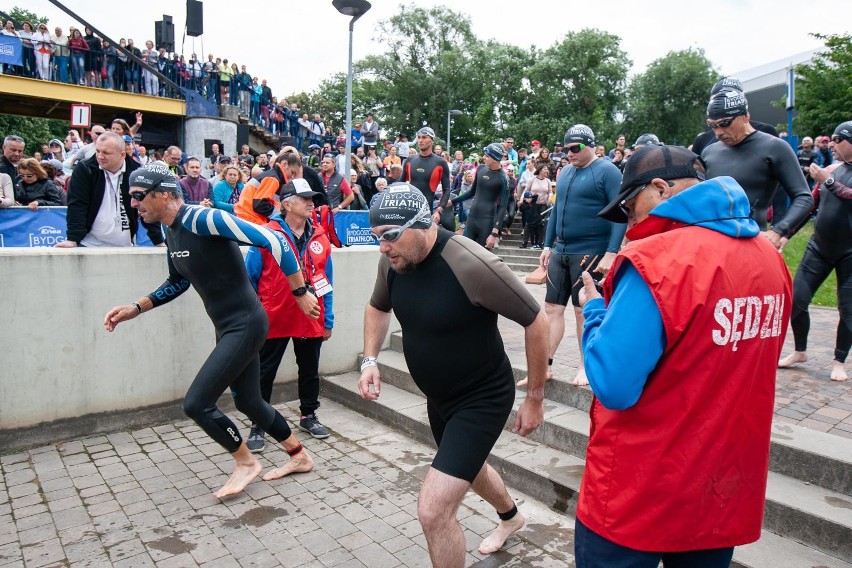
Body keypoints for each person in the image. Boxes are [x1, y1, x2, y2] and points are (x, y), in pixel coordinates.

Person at [577, 144, 792, 566]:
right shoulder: (771, 259)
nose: (629, 222)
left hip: (641, 486)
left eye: (630, 208)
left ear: (659, 188)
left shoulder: (657, 260)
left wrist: (595, 311)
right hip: (720, 484)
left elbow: (613, 384)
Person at [103, 162, 320, 498]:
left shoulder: (204, 219)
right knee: (250, 401)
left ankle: (246, 463)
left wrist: (300, 291)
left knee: (197, 403)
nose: (134, 204)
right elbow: (178, 281)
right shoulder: (170, 230)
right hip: (227, 326)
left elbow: (274, 241)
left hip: (246, 323)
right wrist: (136, 307)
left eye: (138, 196)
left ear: (163, 193)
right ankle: (299, 456)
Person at [359, 184, 549, 565]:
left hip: (482, 397)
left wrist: (535, 398)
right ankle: (511, 518)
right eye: (376, 237)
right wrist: (370, 360)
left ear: (425, 221)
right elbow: (377, 308)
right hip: (439, 397)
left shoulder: (470, 264)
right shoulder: (394, 261)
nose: (383, 247)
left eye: (391, 236)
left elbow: (536, 319)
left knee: (433, 511)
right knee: (468, 464)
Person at [526, 125, 625, 388]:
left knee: (583, 312)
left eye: (575, 148)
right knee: (551, 309)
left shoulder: (607, 171)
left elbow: (620, 215)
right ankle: (544, 365)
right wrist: (547, 246)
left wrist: (611, 252)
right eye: (566, 148)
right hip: (562, 250)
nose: (569, 153)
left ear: (591, 145)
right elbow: (557, 210)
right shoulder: (566, 171)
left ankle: (585, 365)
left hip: (591, 250)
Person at [245, 178, 334, 451]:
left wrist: (327, 318)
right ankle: (259, 423)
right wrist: (251, 318)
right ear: (286, 204)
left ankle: (308, 415)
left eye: (313, 198)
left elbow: (326, 280)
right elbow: (249, 278)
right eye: (304, 198)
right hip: (273, 317)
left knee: (310, 371)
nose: (311, 203)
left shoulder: (320, 236)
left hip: (310, 315)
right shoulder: (266, 234)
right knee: (264, 373)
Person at [779, 121, 852, 382]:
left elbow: (847, 193)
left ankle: (839, 360)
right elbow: (811, 205)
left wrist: (828, 180)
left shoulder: (828, 175)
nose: (831, 143)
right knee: (796, 300)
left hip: (849, 253)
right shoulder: (832, 169)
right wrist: (786, 234)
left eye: (838, 139)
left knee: (848, 310)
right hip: (819, 246)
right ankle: (800, 351)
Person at [701, 89, 813, 248]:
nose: (719, 132)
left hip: (750, 242)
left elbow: (804, 197)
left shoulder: (774, 147)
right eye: (713, 125)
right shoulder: (709, 151)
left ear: (746, 116)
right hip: (711, 240)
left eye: (725, 123)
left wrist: (778, 231)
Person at [56, 132, 163, 248]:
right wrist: (73, 239)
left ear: (122, 155)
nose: (100, 156)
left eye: (106, 153)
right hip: (89, 244)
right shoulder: (84, 169)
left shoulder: (137, 171)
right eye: (97, 151)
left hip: (125, 246)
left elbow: (147, 206)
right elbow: (77, 205)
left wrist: (158, 241)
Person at [447, 143, 509, 248]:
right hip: (472, 217)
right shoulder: (481, 169)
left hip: (487, 220)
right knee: (466, 253)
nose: (483, 157)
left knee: (482, 259)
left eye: (487, 156)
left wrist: (494, 233)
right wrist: (452, 202)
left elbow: (503, 207)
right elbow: (471, 192)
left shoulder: (503, 178)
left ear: (495, 158)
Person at [403, 126, 454, 230]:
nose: (420, 140)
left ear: (432, 140)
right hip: (409, 210)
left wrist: (439, 210)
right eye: (419, 137)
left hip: (427, 212)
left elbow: (447, 190)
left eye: (424, 137)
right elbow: (400, 184)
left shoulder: (440, 162)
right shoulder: (410, 160)